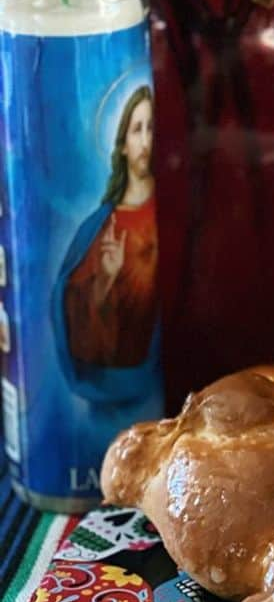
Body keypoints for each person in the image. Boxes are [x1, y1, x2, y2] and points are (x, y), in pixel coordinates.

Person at [54, 85, 160, 400]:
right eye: (136, 130)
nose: (145, 141)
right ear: (123, 145)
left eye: (151, 128)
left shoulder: (169, 201)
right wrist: (104, 280)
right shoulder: (103, 227)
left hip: (159, 381)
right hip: (111, 389)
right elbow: (70, 307)